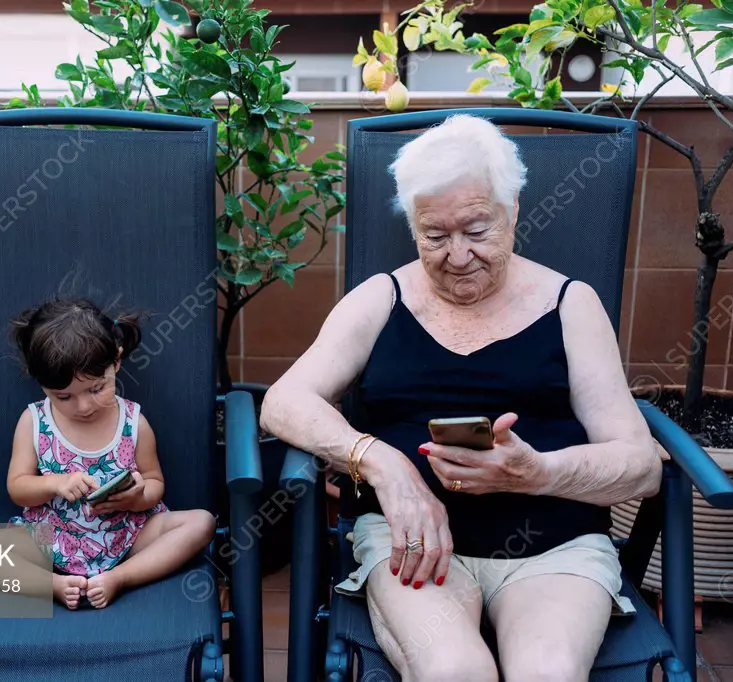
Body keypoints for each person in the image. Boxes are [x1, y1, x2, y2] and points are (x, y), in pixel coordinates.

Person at [260, 114, 662, 681]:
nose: (456, 255)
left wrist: (534, 473)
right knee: (454, 671)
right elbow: (283, 402)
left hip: (554, 549)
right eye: (434, 235)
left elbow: (640, 466)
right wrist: (383, 463)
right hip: (415, 541)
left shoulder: (571, 306)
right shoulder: (381, 299)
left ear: (513, 210)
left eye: (476, 231)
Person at [0, 298, 215, 611]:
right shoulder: (34, 422)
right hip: (51, 537)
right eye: (63, 396)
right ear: (41, 384)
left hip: (127, 535)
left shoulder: (134, 423)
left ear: (116, 362)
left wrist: (138, 497)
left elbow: (154, 480)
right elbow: (18, 488)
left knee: (201, 523)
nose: (84, 406)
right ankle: (52, 585)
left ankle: (120, 577)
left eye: (96, 389)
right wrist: (55, 484)